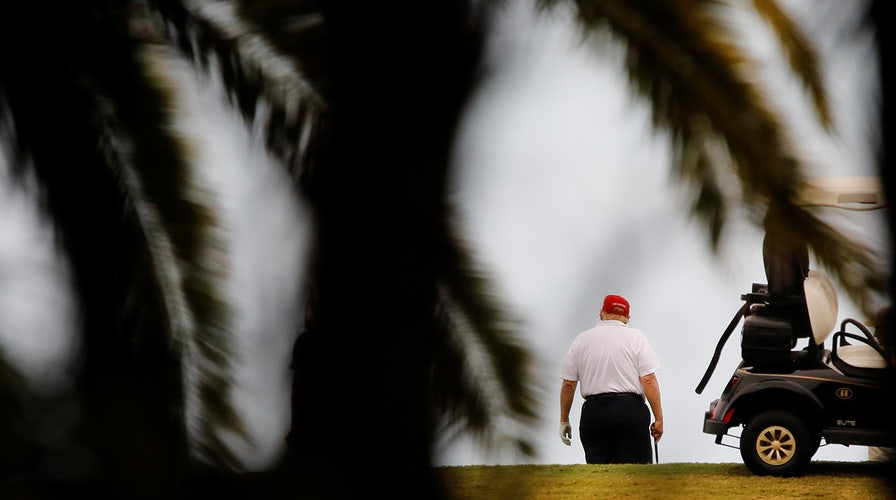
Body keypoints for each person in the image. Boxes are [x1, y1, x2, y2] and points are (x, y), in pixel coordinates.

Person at [559, 294, 664, 464]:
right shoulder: (636, 337)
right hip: (630, 410)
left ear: (602, 313)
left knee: (599, 473)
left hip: (594, 413)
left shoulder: (581, 340)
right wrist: (658, 419)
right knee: (637, 472)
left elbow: (568, 384)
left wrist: (564, 420)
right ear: (627, 318)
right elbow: (649, 380)